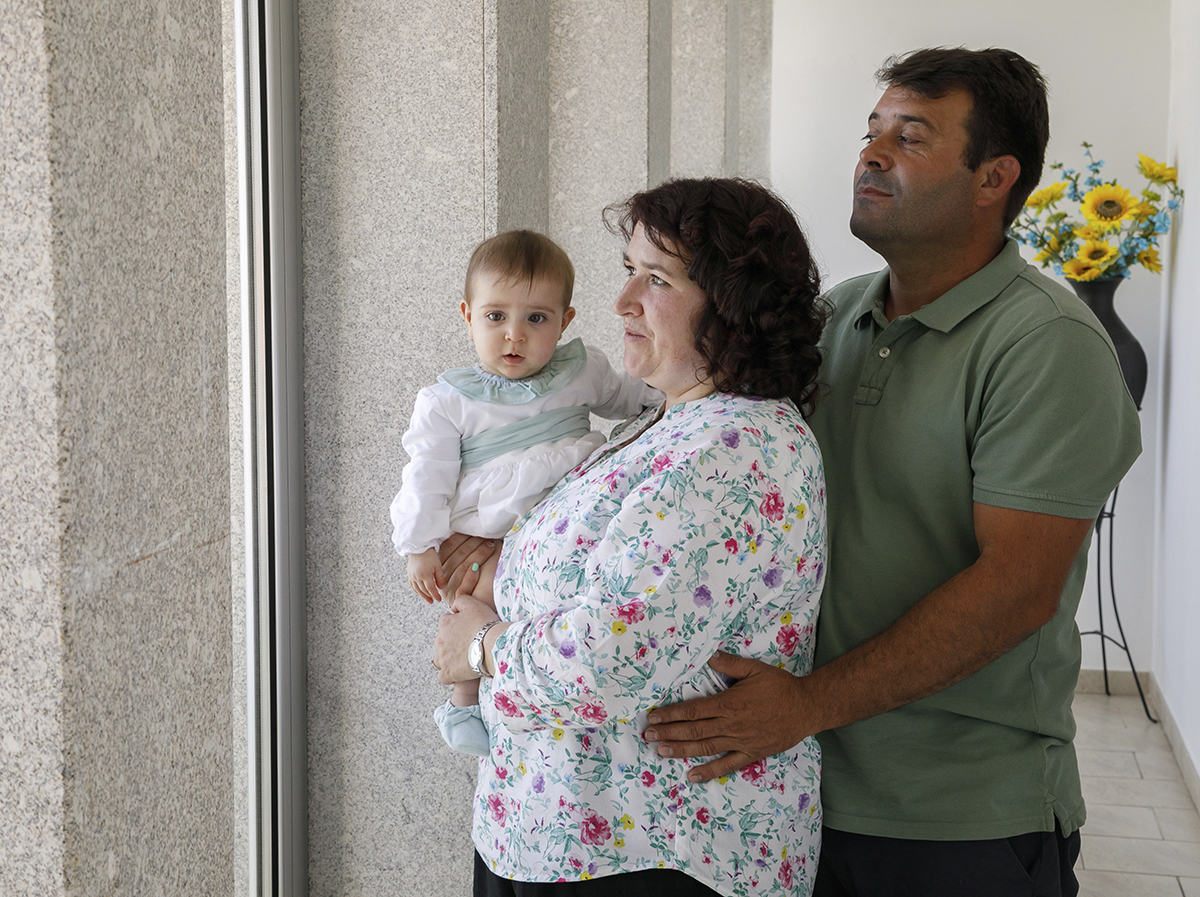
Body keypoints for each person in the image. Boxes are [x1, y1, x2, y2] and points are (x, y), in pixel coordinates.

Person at [640, 48, 1142, 897]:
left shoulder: (1046, 346)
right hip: (793, 790)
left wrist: (807, 704)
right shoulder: (833, 315)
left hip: (957, 817)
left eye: (909, 137)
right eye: (871, 132)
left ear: (995, 178)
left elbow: (1017, 588)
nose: (871, 153)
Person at [432, 178, 829, 896]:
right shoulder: (673, 419)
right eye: (628, 273)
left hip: (651, 854)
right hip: (564, 836)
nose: (622, 303)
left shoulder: (734, 448)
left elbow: (610, 658)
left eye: (656, 278)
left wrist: (478, 646)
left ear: (731, 304)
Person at [391, 229, 659, 742]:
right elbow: (426, 475)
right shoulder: (449, 401)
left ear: (564, 322)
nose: (514, 334)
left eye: (536, 318)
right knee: (483, 593)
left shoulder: (583, 369)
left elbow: (634, 399)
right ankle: (465, 698)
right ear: (468, 316)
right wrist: (418, 546)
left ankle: (541, 687)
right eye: (496, 317)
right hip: (487, 526)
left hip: (559, 517)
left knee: (551, 599)